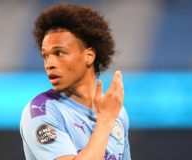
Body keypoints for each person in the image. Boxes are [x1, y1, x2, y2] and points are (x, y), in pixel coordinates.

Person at [19, 3, 131, 160]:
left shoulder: (117, 113)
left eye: (59, 53)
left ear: (89, 56)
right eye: (45, 55)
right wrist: (105, 121)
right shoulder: (41, 111)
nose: (49, 64)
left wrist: (108, 116)